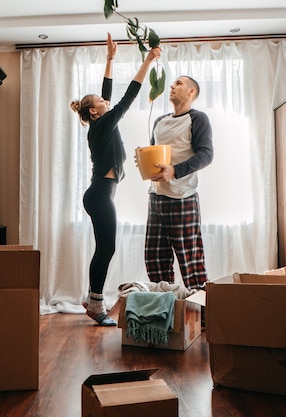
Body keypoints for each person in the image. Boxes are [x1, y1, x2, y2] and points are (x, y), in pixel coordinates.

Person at [70, 33, 161, 326]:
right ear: (95, 112)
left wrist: (110, 59)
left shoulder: (99, 124)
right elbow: (128, 97)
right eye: (101, 102)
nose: (106, 101)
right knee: (106, 248)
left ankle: (92, 298)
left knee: (105, 247)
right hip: (99, 194)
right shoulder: (105, 122)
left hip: (100, 193)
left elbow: (105, 91)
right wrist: (147, 61)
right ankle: (95, 305)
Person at [144, 75, 213, 290]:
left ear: (192, 92)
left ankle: (202, 317)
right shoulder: (159, 121)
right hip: (156, 198)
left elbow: (206, 154)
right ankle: (165, 310)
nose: (172, 86)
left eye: (178, 83)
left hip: (183, 198)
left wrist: (174, 171)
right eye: (173, 83)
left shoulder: (198, 118)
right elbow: (156, 154)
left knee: (190, 262)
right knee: (155, 260)